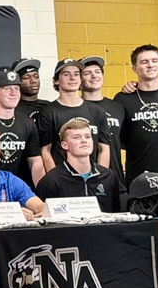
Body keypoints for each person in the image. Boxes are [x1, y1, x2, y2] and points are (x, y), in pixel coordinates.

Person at [112, 44, 158, 190]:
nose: (150, 65)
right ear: (134, 68)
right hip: (139, 178)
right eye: (144, 62)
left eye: (154, 61)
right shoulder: (123, 98)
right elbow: (119, 138)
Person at [36, 58, 110, 172]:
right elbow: (45, 151)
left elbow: (104, 148)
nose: (72, 78)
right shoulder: (48, 112)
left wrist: (101, 177)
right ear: (56, 80)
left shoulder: (97, 111)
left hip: (93, 177)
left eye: (76, 74)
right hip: (63, 177)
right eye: (66, 74)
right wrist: (55, 179)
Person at [36, 119, 122, 213]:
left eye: (88, 137)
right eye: (76, 137)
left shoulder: (109, 177)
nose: (84, 141)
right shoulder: (50, 181)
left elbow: (115, 216)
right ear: (65, 145)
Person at [0, 68, 44, 189]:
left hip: (19, 188)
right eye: (7, 89)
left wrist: (41, 191)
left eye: (16, 89)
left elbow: (35, 161)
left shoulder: (27, 123)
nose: (13, 93)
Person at [80, 55, 127, 203]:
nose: (94, 76)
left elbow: (124, 141)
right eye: (87, 73)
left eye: (97, 71)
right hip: (85, 183)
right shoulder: (75, 109)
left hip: (116, 180)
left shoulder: (117, 107)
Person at [12, 58, 50, 123]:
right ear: (17, 82)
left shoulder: (49, 107)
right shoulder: (12, 109)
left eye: (36, 77)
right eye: (27, 77)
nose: (33, 81)